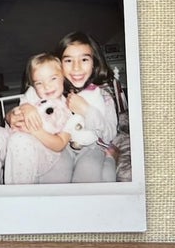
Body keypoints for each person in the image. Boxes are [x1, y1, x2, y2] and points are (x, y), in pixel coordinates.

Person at [0, 53, 84, 185]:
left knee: (20, 140)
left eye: (52, 79)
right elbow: (14, 115)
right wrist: (25, 107)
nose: (46, 86)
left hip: (44, 152)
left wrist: (35, 131)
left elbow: (60, 144)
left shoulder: (69, 108)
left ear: (63, 77)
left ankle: (18, 197)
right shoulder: (32, 94)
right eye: (39, 83)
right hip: (13, 138)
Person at [52, 29, 123, 182]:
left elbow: (110, 133)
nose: (76, 67)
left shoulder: (103, 96)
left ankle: (110, 158)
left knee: (88, 173)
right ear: (59, 65)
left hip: (93, 147)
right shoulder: (55, 92)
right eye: (68, 60)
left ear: (94, 63)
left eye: (84, 60)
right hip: (64, 146)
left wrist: (86, 110)